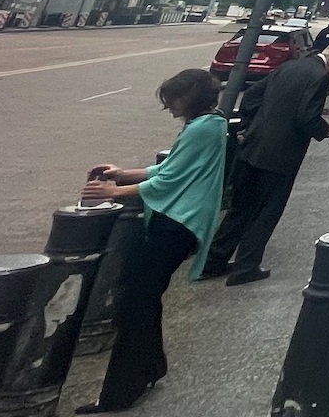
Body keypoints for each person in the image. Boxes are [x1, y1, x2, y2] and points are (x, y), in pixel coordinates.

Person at [75, 69, 228, 413]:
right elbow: (174, 167)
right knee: (143, 297)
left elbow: (169, 179)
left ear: (187, 98)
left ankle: (122, 392)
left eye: (172, 101)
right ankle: (150, 366)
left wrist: (115, 191)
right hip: (180, 223)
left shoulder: (202, 127)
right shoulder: (211, 122)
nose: (170, 108)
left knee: (134, 301)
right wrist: (125, 172)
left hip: (176, 223)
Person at [200, 43, 329, 284]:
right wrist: (325, 129)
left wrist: (250, 127)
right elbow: (306, 116)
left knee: (241, 207)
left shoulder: (289, 66)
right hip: (281, 155)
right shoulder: (320, 76)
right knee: (267, 211)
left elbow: (251, 96)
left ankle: (212, 262)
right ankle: (246, 266)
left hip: (253, 146)